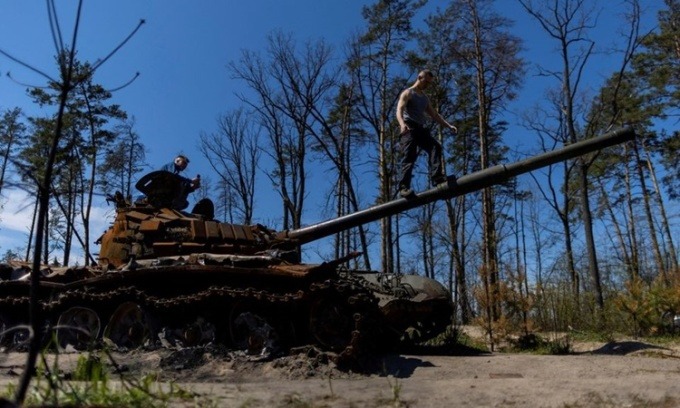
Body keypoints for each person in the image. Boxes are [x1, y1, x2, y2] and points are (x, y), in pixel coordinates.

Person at [396, 69, 457, 198]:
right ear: (419, 78)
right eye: (426, 82)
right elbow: (399, 110)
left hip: (420, 128)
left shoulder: (424, 98)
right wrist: (402, 124)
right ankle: (403, 187)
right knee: (409, 156)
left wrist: (448, 125)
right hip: (409, 127)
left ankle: (437, 177)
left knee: (435, 147)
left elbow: (435, 115)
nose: (427, 85)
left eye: (429, 83)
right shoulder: (408, 93)